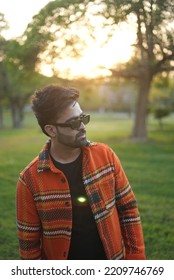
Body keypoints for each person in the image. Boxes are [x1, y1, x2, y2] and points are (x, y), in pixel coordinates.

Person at [16, 84, 146, 260]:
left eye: (83, 118)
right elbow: (29, 245)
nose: (83, 127)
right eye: (74, 123)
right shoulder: (30, 180)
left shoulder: (105, 156)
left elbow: (128, 210)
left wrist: (135, 259)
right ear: (51, 130)